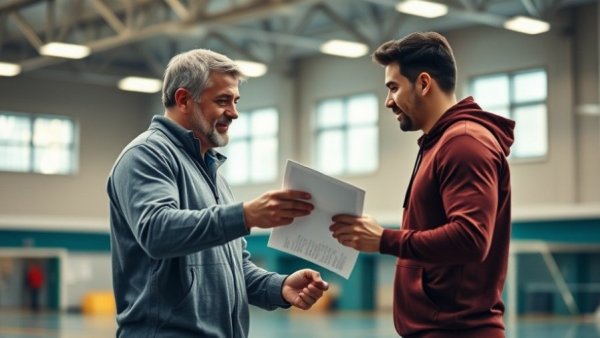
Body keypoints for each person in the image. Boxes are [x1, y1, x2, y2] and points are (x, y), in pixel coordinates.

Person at [107, 49, 329, 338]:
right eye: (222, 101)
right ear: (184, 99)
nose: (234, 113)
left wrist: (280, 286)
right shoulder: (146, 154)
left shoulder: (214, 175)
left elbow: (234, 267)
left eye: (235, 101)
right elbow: (157, 231)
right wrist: (245, 215)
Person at [330, 32, 515, 338]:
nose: (388, 101)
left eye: (393, 88)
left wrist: (385, 240)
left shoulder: (464, 143)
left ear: (424, 83)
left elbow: (471, 238)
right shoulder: (441, 143)